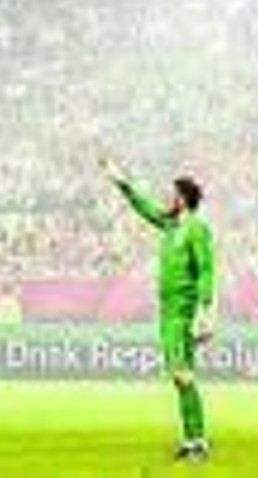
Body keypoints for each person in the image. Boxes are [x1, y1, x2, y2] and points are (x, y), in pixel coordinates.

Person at [101, 158, 217, 463]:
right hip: (167, 313)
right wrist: (122, 184)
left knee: (183, 375)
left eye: (172, 194)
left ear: (182, 198)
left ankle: (198, 442)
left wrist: (206, 312)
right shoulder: (171, 225)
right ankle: (191, 440)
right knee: (179, 377)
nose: (167, 199)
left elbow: (205, 270)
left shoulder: (196, 229)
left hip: (183, 312)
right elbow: (145, 209)